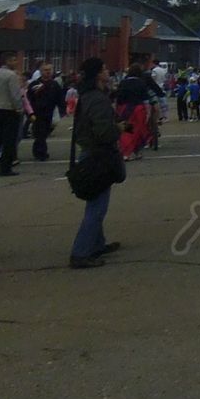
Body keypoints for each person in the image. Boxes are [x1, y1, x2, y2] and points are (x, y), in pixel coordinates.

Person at [68, 58, 123, 269]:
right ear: (99, 74)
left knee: (96, 202)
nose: (108, 72)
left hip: (90, 152)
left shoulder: (87, 96)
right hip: (98, 155)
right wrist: (117, 129)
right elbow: (103, 131)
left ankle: (97, 243)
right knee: (97, 207)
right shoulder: (98, 99)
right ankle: (81, 252)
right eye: (105, 69)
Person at [0, 52, 27, 176]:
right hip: (9, 110)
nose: (16, 63)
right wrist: (19, 108)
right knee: (9, 141)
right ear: (8, 61)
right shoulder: (12, 75)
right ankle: (6, 168)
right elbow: (15, 94)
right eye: (14, 60)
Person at [27, 67, 62, 162]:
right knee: (40, 132)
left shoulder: (54, 84)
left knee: (44, 132)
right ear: (41, 72)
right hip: (37, 112)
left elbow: (59, 98)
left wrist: (62, 109)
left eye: (49, 70)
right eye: (46, 70)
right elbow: (29, 98)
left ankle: (38, 149)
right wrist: (30, 112)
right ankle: (41, 152)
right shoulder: (35, 84)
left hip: (49, 112)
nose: (48, 72)